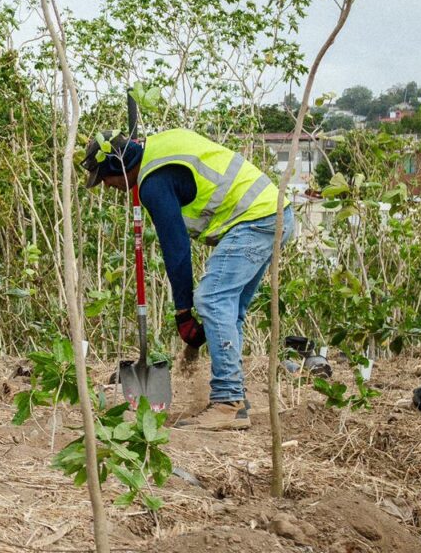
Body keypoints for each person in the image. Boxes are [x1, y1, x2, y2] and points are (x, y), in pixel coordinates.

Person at [81, 128, 294, 430]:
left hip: (256, 220)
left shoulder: (153, 182)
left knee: (213, 299)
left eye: (105, 178)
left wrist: (183, 311)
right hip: (276, 214)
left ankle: (227, 403)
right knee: (229, 308)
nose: (107, 186)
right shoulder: (159, 147)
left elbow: (176, 248)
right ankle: (234, 398)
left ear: (119, 166)